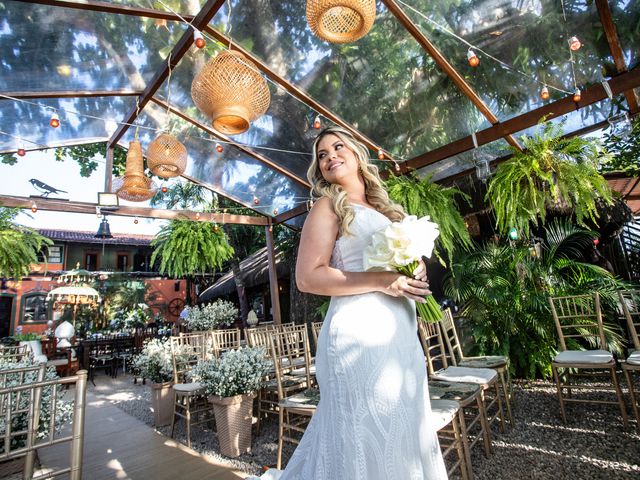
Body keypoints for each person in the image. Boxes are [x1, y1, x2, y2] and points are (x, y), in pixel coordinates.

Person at [254, 126, 447, 479]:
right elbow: (307, 278)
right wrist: (383, 280)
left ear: (358, 154)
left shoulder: (387, 211)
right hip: (357, 333)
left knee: (402, 423)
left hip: (399, 333)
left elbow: (396, 266)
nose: (329, 157)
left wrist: (413, 268)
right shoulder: (328, 206)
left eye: (337, 147)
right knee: (361, 430)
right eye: (322, 155)